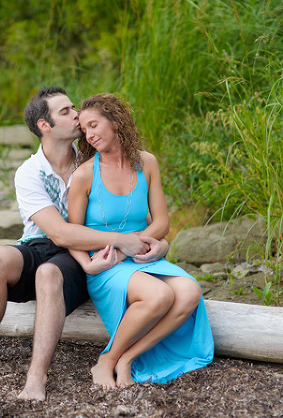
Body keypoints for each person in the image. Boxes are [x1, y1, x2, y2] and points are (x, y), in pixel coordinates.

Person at [0, 86, 169, 401]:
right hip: (41, 244)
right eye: (66, 112)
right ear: (44, 126)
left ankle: (36, 376)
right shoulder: (29, 173)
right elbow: (59, 233)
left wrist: (152, 241)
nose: (77, 116)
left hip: (74, 257)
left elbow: (126, 208)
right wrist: (121, 240)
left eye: (74, 108)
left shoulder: (92, 161)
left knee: (48, 274)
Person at [67, 93, 213, 389]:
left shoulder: (146, 163)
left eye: (94, 125)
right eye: (85, 130)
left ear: (116, 121)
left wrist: (152, 243)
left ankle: (126, 358)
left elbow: (161, 222)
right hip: (108, 264)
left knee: (189, 291)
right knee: (160, 296)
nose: (90, 135)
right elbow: (72, 233)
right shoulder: (84, 175)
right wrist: (94, 263)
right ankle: (105, 361)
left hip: (142, 256)